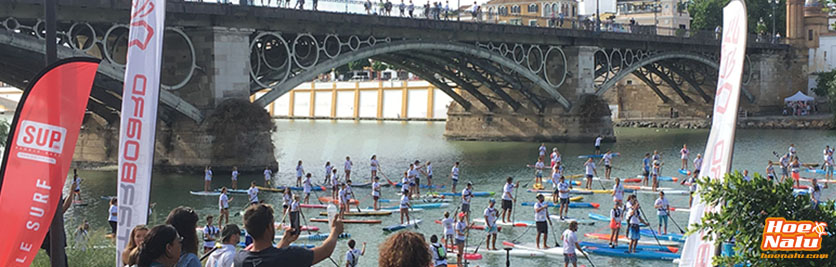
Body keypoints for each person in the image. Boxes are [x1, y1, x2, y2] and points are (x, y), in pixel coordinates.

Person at [233, 203, 344, 267]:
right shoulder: (290, 256)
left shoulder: (240, 258)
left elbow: (267, 257)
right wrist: (335, 231)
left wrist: (285, 241)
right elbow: (325, 251)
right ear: (269, 227)